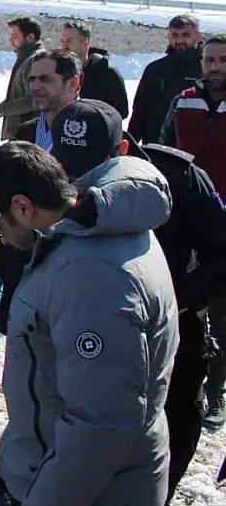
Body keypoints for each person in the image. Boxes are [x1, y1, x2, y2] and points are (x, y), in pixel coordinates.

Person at [0, 134, 178, 506]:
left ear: (22, 207)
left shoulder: (89, 277)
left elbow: (100, 425)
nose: (1, 239)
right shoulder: (92, 229)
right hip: (82, 473)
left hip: (97, 489)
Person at [50, 98, 226, 503]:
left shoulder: (179, 177)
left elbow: (222, 250)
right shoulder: (56, 174)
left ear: (123, 150)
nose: (82, 178)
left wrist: (178, 301)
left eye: (96, 164)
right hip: (87, 327)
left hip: (168, 328)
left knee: (170, 419)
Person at [0, 49, 82, 335]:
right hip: (24, 261)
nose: (35, 87)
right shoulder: (26, 134)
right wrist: (0, 268)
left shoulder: (94, 131)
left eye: (45, 79)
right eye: (31, 79)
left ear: (73, 84)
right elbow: (9, 206)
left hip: (70, 266)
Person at [159, 32, 226, 427]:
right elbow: (166, 150)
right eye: (210, 61)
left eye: (222, 61)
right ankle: (184, 382)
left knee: (222, 313)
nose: (215, 68)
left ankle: (215, 392)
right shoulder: (184, 100)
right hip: (187, 221)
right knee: (184, 303)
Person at [128, 14, 205, 144]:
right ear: (168, 36)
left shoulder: (207, 69)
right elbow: (140, 113)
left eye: (186, 35)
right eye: (175, 35)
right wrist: (130, 146)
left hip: (195, 148)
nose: (180, 40)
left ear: (198, 36)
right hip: (157, 147)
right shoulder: (155, 70)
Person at [0, 17, 45, 139]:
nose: (11, 41)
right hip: (21, 133)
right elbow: (19, 96)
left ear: (30, 37)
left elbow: (33, 100)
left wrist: (0, 110)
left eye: (15, 36)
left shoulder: (35, 60)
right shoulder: (26, 58)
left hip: (28, 135)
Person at [60, 20, 128, 118]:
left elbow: (121, 111)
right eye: (62, 41)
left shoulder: (107, 73)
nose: (64, 46)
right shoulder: (57, 72)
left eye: (68, 41)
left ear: (85, 44)